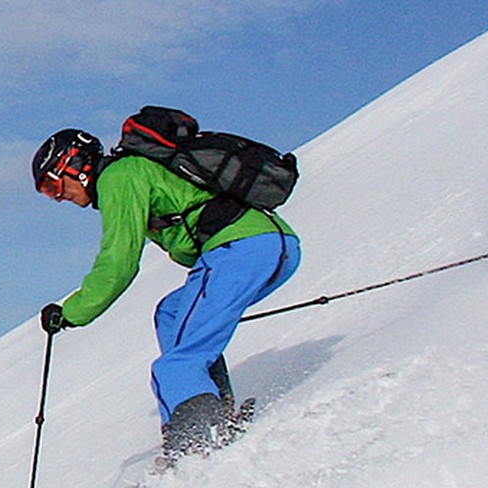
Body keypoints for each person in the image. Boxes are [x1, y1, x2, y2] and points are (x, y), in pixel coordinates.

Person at [31, 125, 301, 457]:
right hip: (273, 247)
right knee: (172, 312)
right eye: (47, 192)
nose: (58, 196)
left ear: (75, 166)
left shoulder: (119, 176)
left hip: (238, 251)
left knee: (174, 366)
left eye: (53, 184)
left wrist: (71, 312)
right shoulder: (135, 171)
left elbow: (118, 262)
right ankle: (215, 416)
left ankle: (197, 445)